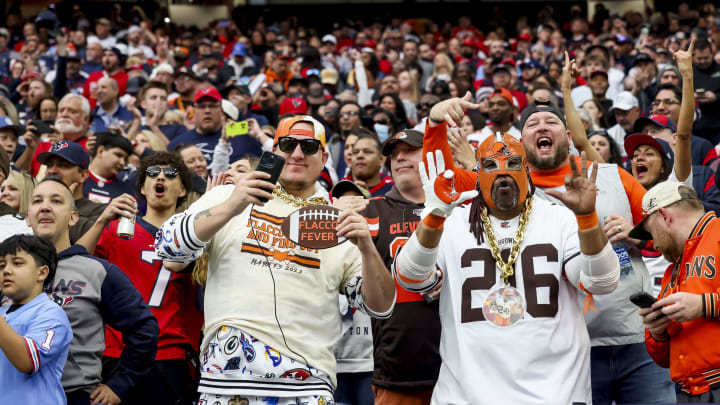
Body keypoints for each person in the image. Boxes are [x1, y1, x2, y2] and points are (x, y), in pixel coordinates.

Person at [395, 95, 620, 404]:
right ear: (477, 173)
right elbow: (410, 277)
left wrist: (587, 218)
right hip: (466, 394)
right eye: (489, 165)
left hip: (554, 392)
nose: (502, 173)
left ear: (527, 171)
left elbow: (602, 283)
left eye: (513, 164)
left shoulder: (558, 217)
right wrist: (434, 214)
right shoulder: (454, 219)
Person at [155, 115, 395, 404]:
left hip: (306, 388)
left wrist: (367, 249)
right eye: (288, 144)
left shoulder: (339, 220)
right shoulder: (229, 195)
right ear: (273, 152)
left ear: (324, 156)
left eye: (308, 146)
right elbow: (167, 247)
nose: (296, 153)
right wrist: (233, 204)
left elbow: (381, 308)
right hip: (227, 382)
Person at [79, 152, 203, 405]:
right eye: (152, 173)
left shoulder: (194, 237)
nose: (161, 177)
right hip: (117, 351)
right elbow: (75, 261)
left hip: (169, 354)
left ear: (182, 190)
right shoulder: (116, 230)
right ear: (142, 188)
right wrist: (102, 219)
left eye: (170, 174)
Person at [26, 177, 158, 405]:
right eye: (37, 200)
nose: (45, 206)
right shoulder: (6, 270)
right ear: (27, 217)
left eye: (56, 201)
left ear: (73, 217)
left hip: (74, 395)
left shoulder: (98, 271)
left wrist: (119, 385)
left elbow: (144, 329)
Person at [365, 129, 441, 404]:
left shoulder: (461, 208)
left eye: (409, 150)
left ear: (432, 155)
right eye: (394, 155)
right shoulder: (370, 211)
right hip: (398, 371)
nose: (399, 158)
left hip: (461, 369)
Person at [633, 182, 720, 402]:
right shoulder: (674, 269)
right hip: (688, 392)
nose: (652, 243)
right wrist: (658, 331)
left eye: (651, 231)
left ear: (665, 216)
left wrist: (703, 305)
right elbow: (665, 360)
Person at [0, 234, 72, 404]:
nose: (6, 271)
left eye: (17, 263)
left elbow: (27, 361)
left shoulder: (51, 313)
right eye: (1, 265)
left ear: (42, 273)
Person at [168, 87, 263, 169]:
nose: (207, 110)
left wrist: (260, 135)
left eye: (212, 106)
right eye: (201, 106)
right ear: (194, 110)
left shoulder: (245, 138)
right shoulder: (178, 144)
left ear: (221, 110)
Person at [84, 133, 135, 204]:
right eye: (118, 155)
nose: (122, 162)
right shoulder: (75, 179)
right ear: (100, 151)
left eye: (125, 159)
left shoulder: (126, 192)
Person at [347, 133, 394, 197]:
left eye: (367, 152)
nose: (359, 155)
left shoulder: (394, 194)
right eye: (355, 152)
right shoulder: (337, 192)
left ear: (382, 160)